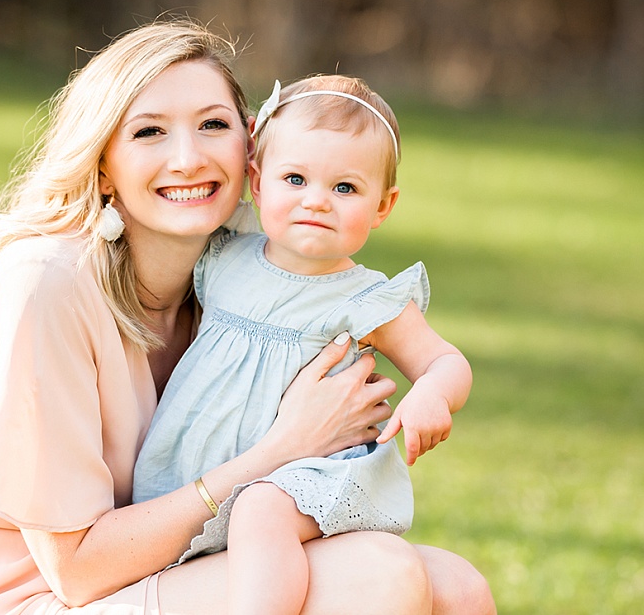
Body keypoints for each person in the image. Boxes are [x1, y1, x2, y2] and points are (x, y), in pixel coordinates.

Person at [0, 18, 495, 614]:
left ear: (250, 145)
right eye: (149, 132)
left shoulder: (234, 274)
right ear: (102, 163)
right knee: (378, 575)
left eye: (212, 125)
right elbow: (75, 572)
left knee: (460, 589)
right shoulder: (45, 283)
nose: (187, 158)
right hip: (21, 595)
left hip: (158, 566)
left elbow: (429, 356)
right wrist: (285, 448)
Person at [132, 74, 472, 614]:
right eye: (296, 179)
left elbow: (445, 360)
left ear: (383, 206)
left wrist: (433, 392)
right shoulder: (224, 256)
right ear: (259, 183)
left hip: (312, 476)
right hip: (208, 467)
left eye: (345, 188)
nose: (318, 202)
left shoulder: (365, 299)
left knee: (261, 510)